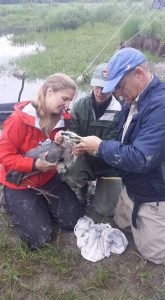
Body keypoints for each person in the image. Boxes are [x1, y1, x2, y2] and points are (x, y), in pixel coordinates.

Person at [73, 47, 165, 265]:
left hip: (152, 192)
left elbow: (142, 158)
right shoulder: (132, 100)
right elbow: (123, 140)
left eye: (120, 86)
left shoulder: (160, 106)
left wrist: (101, 146)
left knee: (156, 254)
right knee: (119, 223)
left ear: (139, 74)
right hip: (132, 185)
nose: (117, 93)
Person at [0, 73, 84, 249]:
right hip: (21, 183)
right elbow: (4, 156)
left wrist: (63, 138)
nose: (67, 105)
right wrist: (34, 165)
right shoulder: (18, 121)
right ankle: (9, 199)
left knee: (73, 221)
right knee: (39, 239)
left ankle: (41, 204)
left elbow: (54, 139)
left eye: (70, 100)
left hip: (48, 179)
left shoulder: (61, 118)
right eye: (64, 99)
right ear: (49, 91)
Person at [55, 63, 122, 216]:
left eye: (106, 87)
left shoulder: (120, 110)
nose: (101, 91)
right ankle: (81, 191)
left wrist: (95, 148)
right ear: (92, 84)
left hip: (110, 163)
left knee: (105, 211)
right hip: (85, 157)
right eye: (97, 85)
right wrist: (74, 146)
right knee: (71, 177)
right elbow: (73, 134)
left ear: (113, 86)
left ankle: (111, 188)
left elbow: (116, 144)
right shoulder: (79, 106)